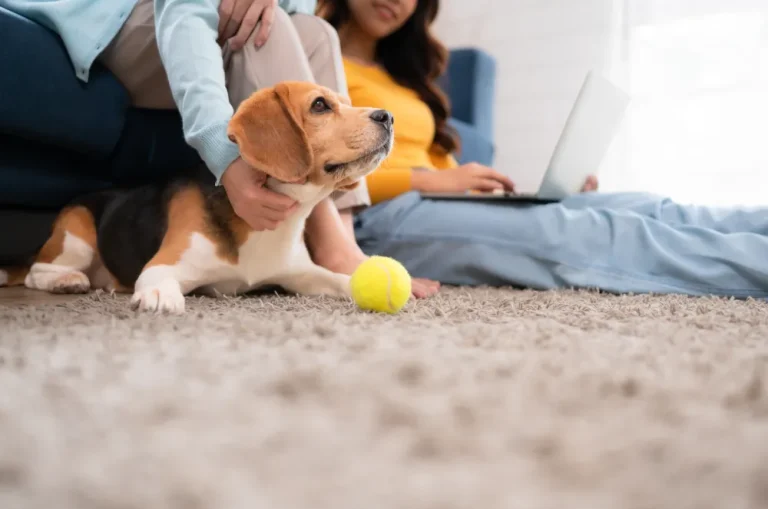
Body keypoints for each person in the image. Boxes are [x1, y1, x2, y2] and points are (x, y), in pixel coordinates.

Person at [317, 0, 768, 299]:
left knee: (647, 206)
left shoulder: (405, 79)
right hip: (372, 219)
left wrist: (485, 190)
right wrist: (430, 181)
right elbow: (319, 173)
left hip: (432, 202)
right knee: (582, 230)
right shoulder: (318, 58)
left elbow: (437, 163)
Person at [1, 0, 442, 296]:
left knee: (313, 30)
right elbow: (185, 10)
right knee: (260, 31)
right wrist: (223, 153)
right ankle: (331, 243)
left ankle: (338, 235)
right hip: (114, 18)